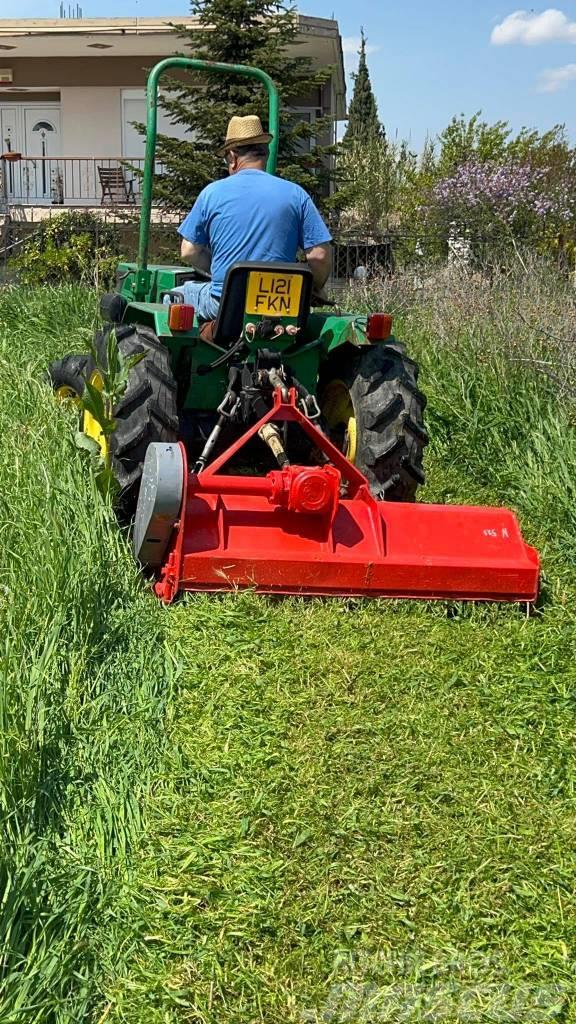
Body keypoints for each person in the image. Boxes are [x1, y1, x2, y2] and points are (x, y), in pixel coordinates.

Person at [166, 114, 333, 320]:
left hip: (225, 306)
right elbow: (320, 256)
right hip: (281, 307)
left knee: (173, 296)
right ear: (265, 154)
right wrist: (314, 288)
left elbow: (189, 251)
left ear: (233, 157)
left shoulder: (212, 193)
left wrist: (226, 272)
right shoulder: (296, 194)